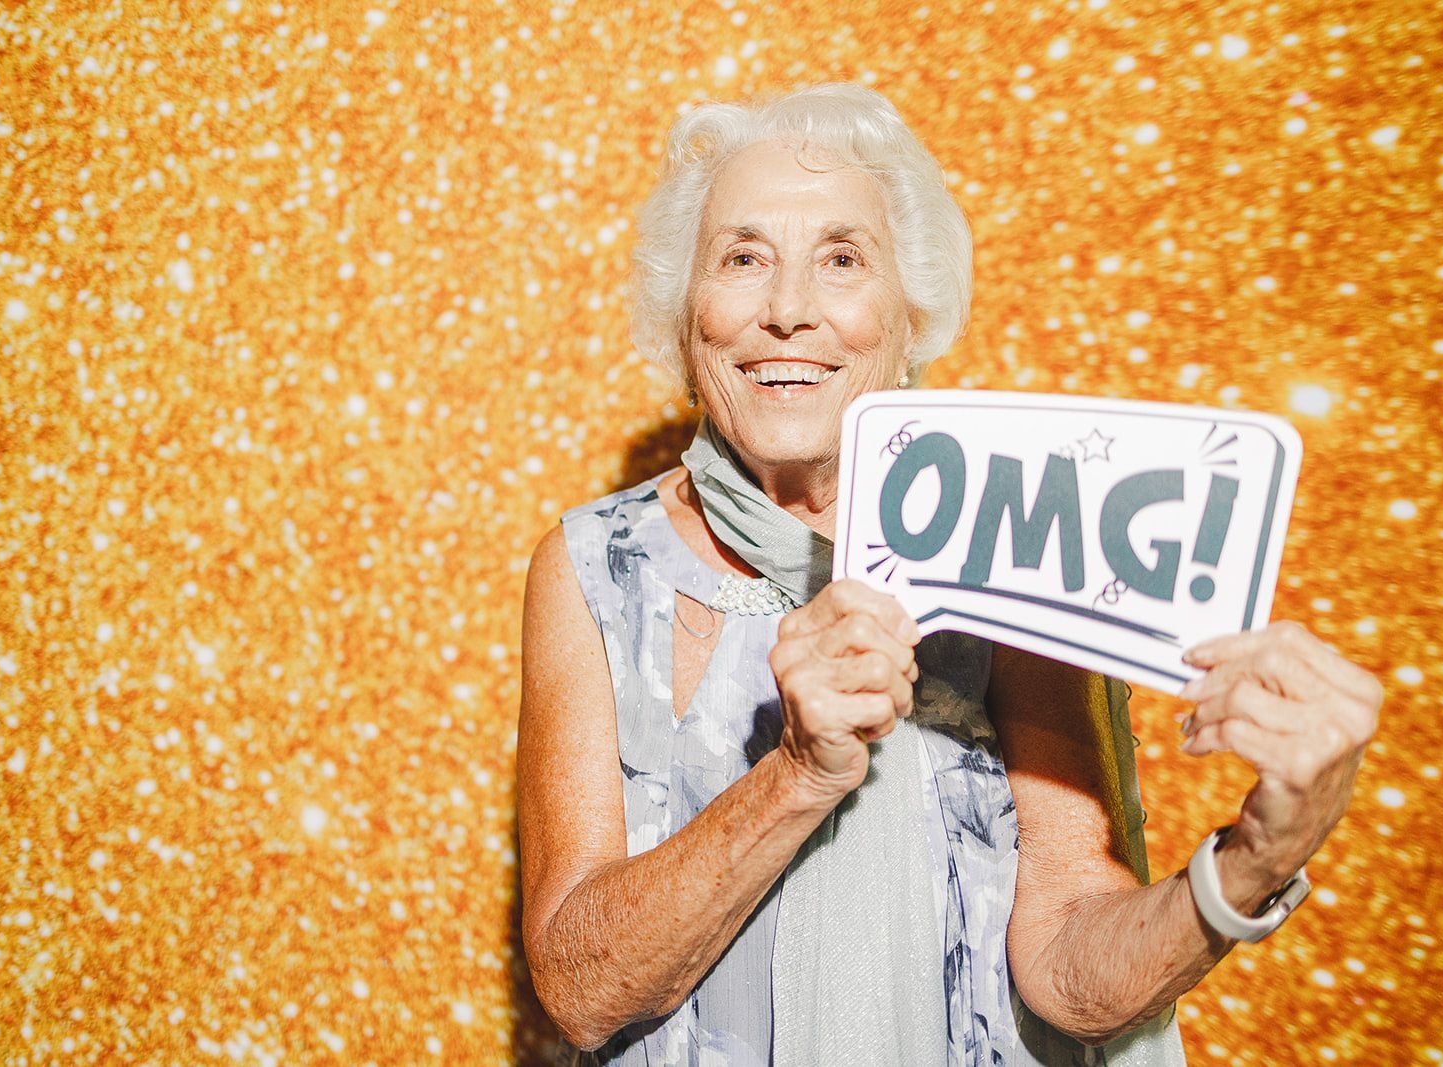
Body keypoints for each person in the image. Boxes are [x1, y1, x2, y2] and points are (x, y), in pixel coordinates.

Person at [517, 84, 1381, 1066]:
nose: (788, 310)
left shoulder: (1019, 534)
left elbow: (1067, 969)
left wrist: (1257, 859)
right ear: (686, 314)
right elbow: (580, 992)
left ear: (907, 312)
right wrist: (797, 774)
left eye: (842, 259)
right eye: (743, 258)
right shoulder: (594, 565)